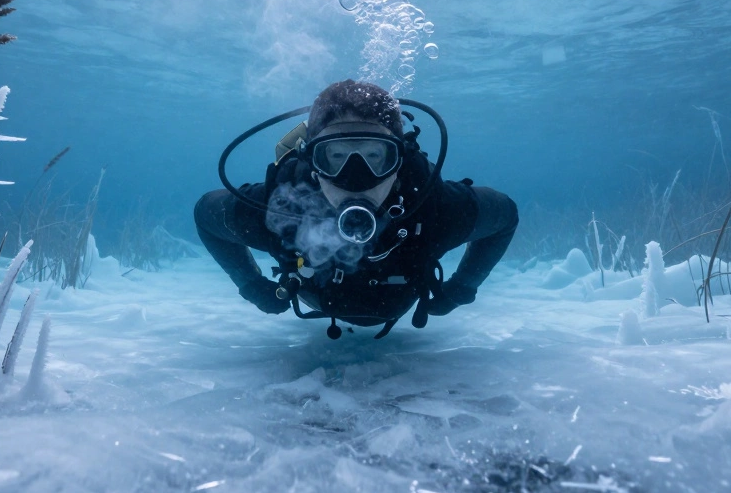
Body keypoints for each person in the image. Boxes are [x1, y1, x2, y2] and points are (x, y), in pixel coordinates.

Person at [195, 79, 518, 339]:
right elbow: (206, 215)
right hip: (316, 294)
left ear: (400, 159)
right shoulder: (280, 209)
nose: (355, 178)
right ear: (311, 160)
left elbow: (505, 216)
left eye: (376, 156)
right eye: (335, 156)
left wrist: (462, 288)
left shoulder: (436, 208)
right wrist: (250, 285)